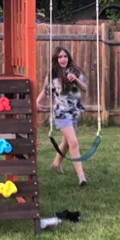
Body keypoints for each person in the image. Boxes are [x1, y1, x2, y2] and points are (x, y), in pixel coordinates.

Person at [36, 46, 89, 186]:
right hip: (60, 113)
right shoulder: (53, 74)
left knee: (66, 142)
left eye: (65, 56)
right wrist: (37, 101)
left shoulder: (76, 71)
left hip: (73, 111)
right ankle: (81, 177)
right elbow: (45, 91)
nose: (63, 59)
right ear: (56, 59)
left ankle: (56, 163)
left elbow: (84, 88)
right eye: (60, 57)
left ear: (68, 57)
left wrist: (76, 80)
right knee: (73, 142)